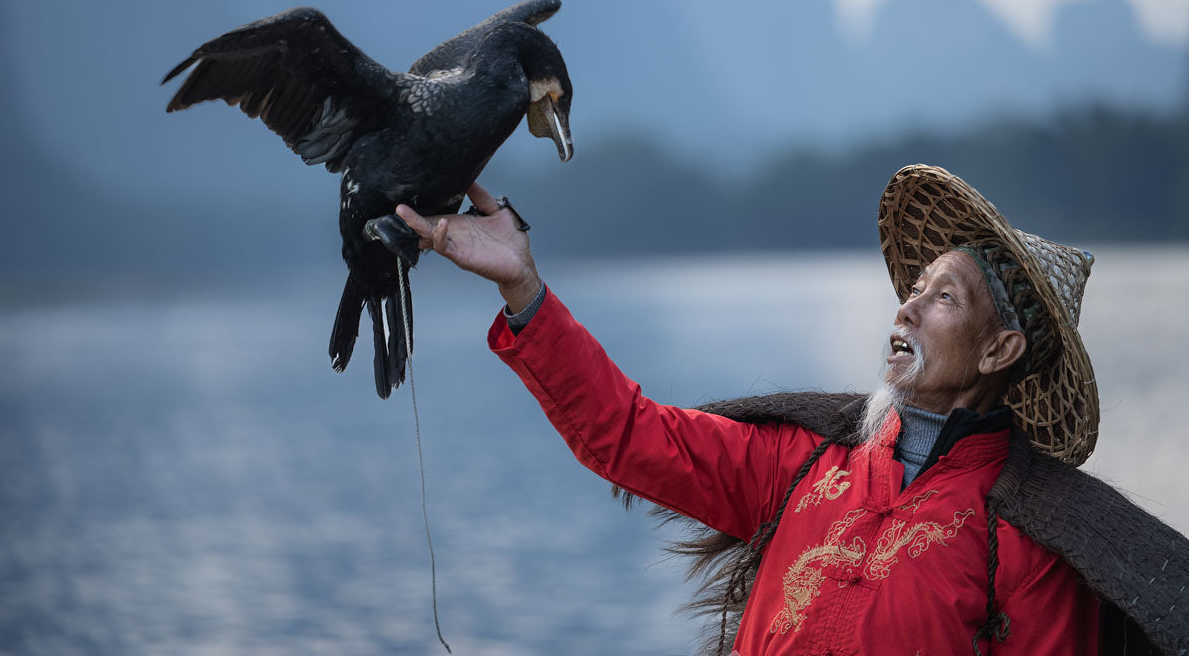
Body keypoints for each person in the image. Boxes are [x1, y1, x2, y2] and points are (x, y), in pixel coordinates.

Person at [393, 164, 1188, 655]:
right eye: (911, 291)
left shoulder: (1023, 544)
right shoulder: (802, 465)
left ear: (998, 352)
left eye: (942, 298)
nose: (905, 310)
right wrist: (522, 288)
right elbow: (625, 433)